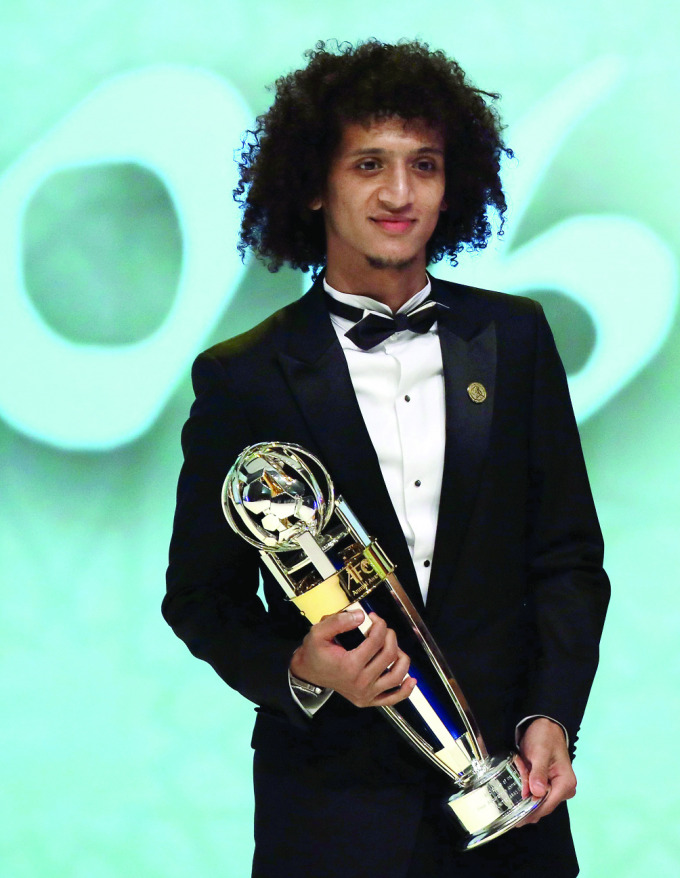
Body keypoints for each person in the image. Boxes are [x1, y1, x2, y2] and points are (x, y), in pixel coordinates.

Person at [162, 39, 609, 878]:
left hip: (516, 806)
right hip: (331, 817)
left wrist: (552, 717)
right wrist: (301, 666)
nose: (399, 193)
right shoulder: (242, 377)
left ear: (455, 184)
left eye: (425, 165)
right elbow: (200, 597)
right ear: (312, 183)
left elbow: (568, 559)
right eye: (369, 163)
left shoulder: (516, 339)